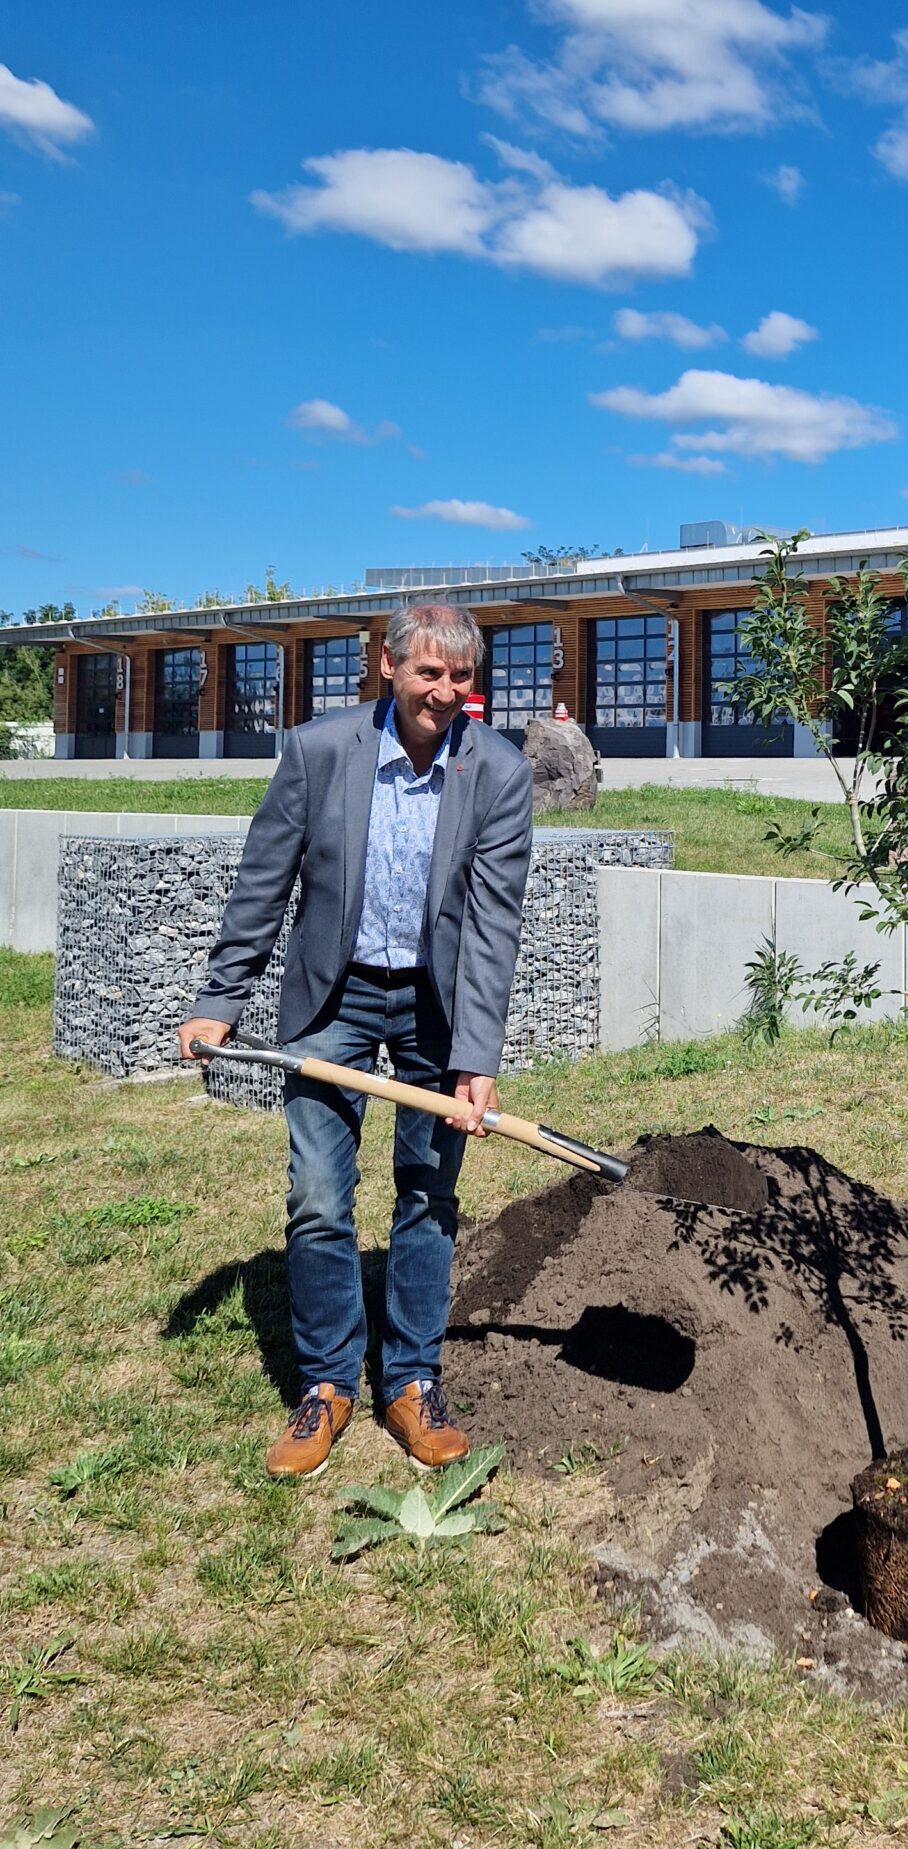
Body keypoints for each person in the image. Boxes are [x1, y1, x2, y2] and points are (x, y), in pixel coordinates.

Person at [178, 602, 533, 1481]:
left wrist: (476, 1057)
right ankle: (331, 1381)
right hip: (333, 999)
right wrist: (222, 996)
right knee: (319, 1196)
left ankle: (411, 1380)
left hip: (436, 1008)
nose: (446, 693)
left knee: (427, 1193)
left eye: (461, 678)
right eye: (429, 673)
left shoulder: (499, 773)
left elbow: (493, 925)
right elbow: (263, 882)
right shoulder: (319, 752)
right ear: (387, 665)